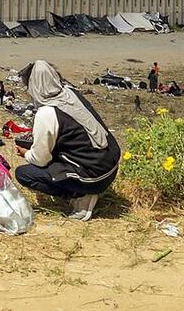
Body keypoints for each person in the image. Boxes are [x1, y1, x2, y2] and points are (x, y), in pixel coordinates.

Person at [14, 60, 121, 222]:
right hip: (110, 165)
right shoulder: (71, 93)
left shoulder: (47, 112)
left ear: (33, 86)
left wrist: (26, 153)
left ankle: (81, 196)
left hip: (94, 176)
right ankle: (82, 188)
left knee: (24, 174)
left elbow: (40, 160)